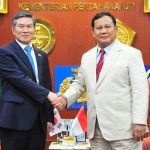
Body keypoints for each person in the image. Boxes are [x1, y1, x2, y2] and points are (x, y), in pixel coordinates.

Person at [51, 12, 149, 149]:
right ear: (93, 32)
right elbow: (79, 84)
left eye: (107, 26)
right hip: (95, 131)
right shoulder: (87, 56)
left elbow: (141, 91)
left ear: (116, 29)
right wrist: (65, 99)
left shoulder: (131, 54)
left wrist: (140, 122)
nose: (103, 31)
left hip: (125, 132)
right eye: (99, 28)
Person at [0, 11, 58, 150]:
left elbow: (46, 84)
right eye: (21, 26)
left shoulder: (41, 55)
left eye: (29, 26)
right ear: (13, 30)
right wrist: (48, 95)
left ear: (34, 29)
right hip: (15, 119)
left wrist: (49, 116)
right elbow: (20, 80)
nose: (25, 30)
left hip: (38, 121)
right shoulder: (5, 52)